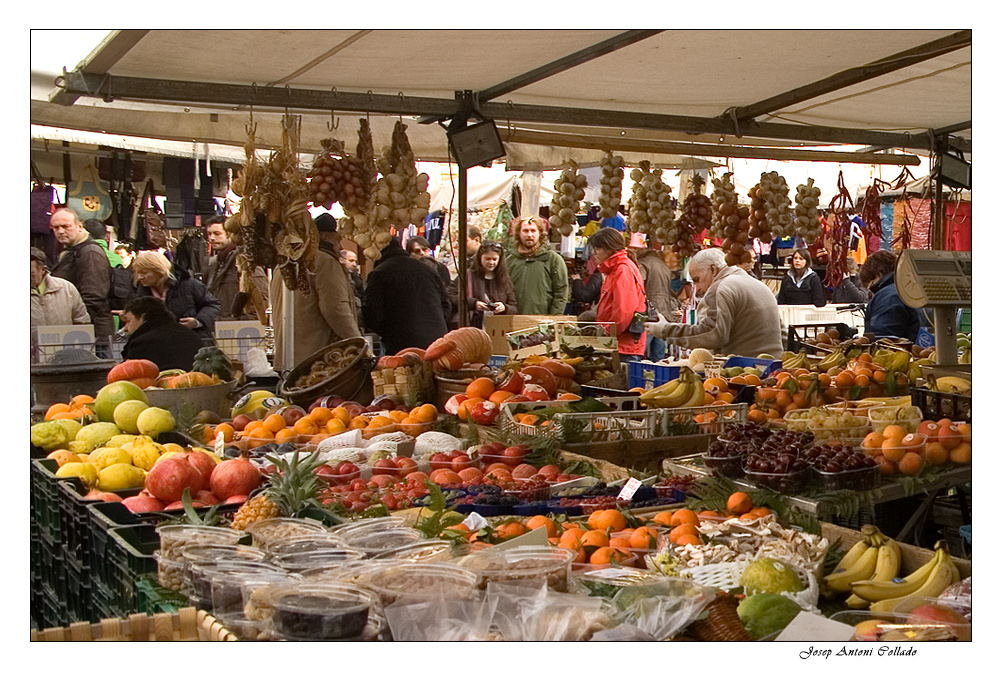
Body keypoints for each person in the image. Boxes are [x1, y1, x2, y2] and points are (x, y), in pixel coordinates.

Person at [644, 247, 783, 358]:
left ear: (713, 269)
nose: (697, 288)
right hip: (772, 368)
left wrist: (665, 330)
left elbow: (712, 334)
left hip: (743, 372)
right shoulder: (758, 284)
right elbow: (782, 331)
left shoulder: (720, 287)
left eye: (697, 279)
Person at [270, 215, 361, 370]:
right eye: (338, 241)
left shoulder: (283, 265)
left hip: (287, 357)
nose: (340, 247)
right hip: (315, 361)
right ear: (324, 237)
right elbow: (335, 310)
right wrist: (358, 343)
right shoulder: (324, 261)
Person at [363, 237, 450, 355]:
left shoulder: (379, 273)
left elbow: (372, 314)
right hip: (437, 339)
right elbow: (446, 303)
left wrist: (389, 331)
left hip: (401, 343)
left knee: (406, 372)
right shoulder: (427, 269)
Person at [48, 207, 115, 354]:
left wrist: (76, 324)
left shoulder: (90, 252)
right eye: (55, 227)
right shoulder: (75, 251)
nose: (60, 231)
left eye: (65, 226)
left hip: (93, 335)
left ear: (79, 226)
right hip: (82, 333)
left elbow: (94, 295)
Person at [128, 250, 220, 346]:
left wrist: (197, 321)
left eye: (144, 273)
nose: (140, 277)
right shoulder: (140, 293)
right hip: (159, 346)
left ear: (159, 271)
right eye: (137, 273)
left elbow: (212, 305)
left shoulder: (189, 285)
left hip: (193, 343)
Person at [588, 229, 647, 362]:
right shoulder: (615, 269)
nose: (594, 253)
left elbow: (624, 311)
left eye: (597, 248)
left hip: (623, 346)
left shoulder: (622, 270)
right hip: (619, 344)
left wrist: (606, 331)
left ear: (609, 248)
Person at [204, 215, 269, 321]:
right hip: (221, 327)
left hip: (238, 329)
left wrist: (245, 324)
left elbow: (260, 299)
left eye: (217, 233)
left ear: (230, 234)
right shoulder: (216, 263)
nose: (212, 238)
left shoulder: (245, 262)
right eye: (209, 234)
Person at [119, 296, 205, 371]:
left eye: (129, 321)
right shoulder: (190, 335)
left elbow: (130, 375)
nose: (126, 328)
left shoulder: (142, 344)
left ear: (143, 318)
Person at [506, 215, 570, 316]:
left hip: (542, 322)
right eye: (525, 231)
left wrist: (553, 319)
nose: (529, 234)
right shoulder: (510, 261)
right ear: (519, 233)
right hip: (514, 320)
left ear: (540, 233)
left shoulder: (553, 259)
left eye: (533, 230)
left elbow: (561, 293)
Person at [30, 247, 90, 348]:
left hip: (66, 355)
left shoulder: (66, 288)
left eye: (31, 273)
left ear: (43, 270)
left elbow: (82, 321)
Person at [859, 250, 922, 342]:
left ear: (878, 274)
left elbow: (884, 340)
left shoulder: (888, 296)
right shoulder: (909, 289)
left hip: (898, 354)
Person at [464, 240, 518, 328]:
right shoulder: (469, 275)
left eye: (494, 259)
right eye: (487, 259)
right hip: (475, 325)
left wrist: (504, 308)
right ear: (480, 258)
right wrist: (474, 303)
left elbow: (514, 307)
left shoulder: (504, 279)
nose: (491, 262)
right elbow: (452, 296)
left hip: (497, 327)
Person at [634, 247, 674, 361]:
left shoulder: (643, 264)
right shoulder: (664, 265)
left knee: (642, 352)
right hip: (664, 311)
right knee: (660, 355)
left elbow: (639, 286)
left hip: (649, 311)